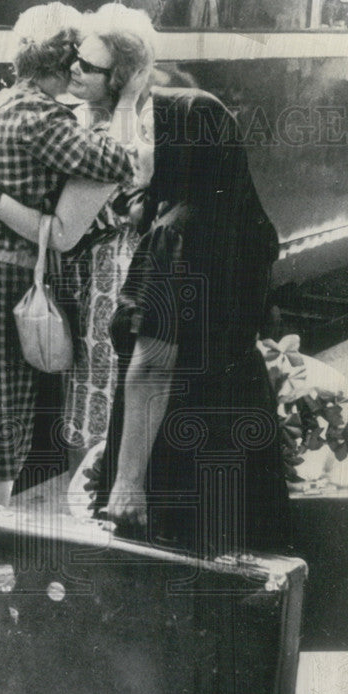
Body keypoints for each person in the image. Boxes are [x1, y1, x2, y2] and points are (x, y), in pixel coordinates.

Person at [0, 2, 137, 511]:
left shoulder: (0, 105)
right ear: (64, 58)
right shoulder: (39, 117)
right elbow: (120, 161)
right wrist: (128, 99)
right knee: (1, 413)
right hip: (10, 277)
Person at [95, 83, 292, 558]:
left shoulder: (174, 237)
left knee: (165, 587)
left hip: (180, 445)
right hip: (243, 434)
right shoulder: (245, 220)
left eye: (148, 135)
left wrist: (127, 480)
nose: (134, 147)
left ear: (183, 146)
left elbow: (153, 369)